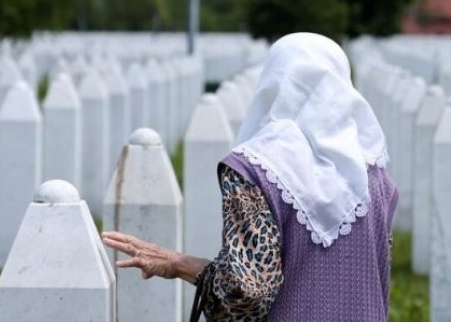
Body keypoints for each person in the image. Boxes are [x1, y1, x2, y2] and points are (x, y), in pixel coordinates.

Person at [102, 32, 398, 321]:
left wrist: (179, 264)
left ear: (273, 80)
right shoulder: (374, 175)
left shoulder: (256, 169)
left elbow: (248, 292)